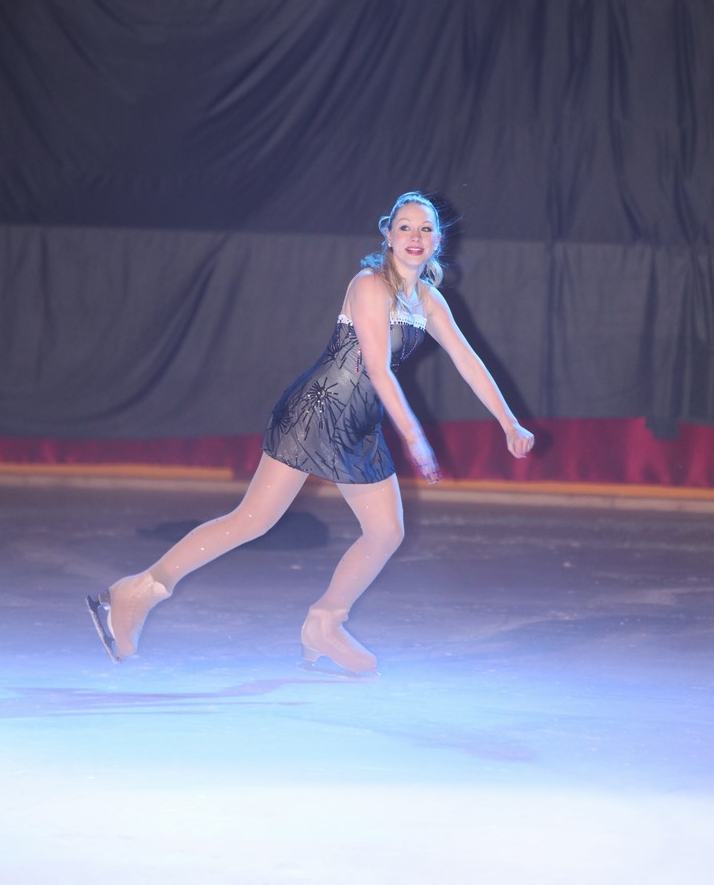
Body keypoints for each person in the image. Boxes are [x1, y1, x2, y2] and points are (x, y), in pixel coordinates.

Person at [87, 191, 534, 674]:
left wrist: (508, 420)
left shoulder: (428, 299)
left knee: (386, 532)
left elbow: (467, 360)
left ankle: (325, 623)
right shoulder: (369, 285)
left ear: (438, 240)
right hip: (316, 411)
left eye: (426, 229)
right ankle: (138, 591)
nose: (415, 236)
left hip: (359, 422)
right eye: (405, 226)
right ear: (387, 234)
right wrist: (413, 435)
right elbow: (377, 368)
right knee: (253, 519)